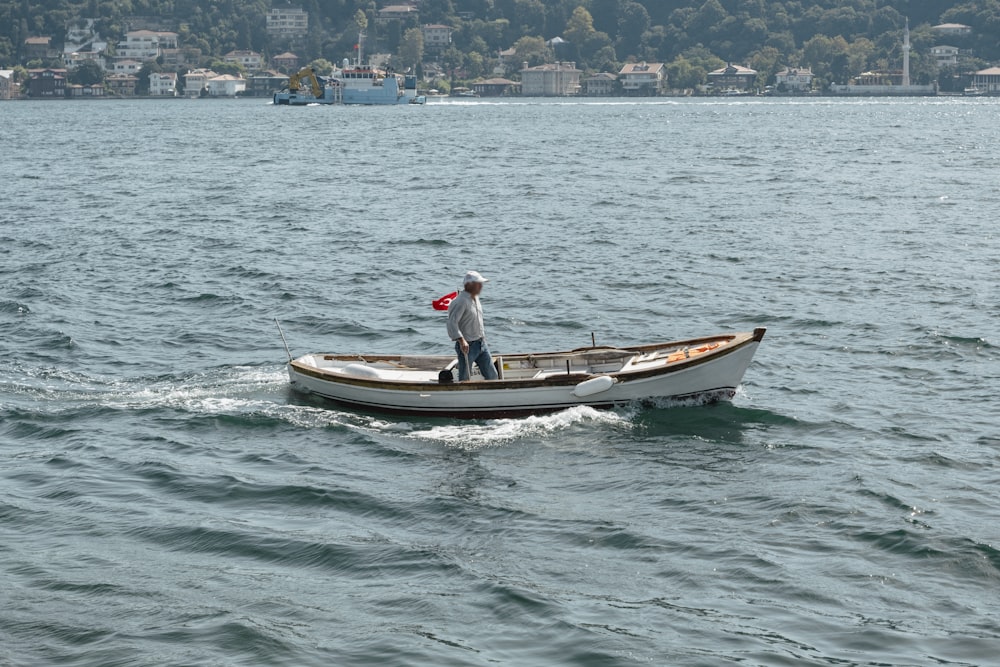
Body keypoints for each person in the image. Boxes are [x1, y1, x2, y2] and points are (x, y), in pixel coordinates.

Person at [446, 271, 498, 382]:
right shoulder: (460, 301)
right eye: (478, 284)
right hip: (467, 347)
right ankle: (464, 397)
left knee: (492, 375)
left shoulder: (476, 299)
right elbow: (452, 323)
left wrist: (483, 338)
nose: (481, 286)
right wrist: (461, 340)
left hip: (481, 344)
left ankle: (491, 396)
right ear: (469, 285)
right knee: (465, 378)